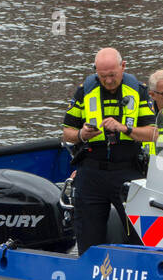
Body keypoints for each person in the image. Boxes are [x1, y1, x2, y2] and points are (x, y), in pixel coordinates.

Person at [62, 49, 156, 255]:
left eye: (113, 75)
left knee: (140, 235)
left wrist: (125, 129)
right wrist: (82, 134)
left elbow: (153, 133)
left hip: (127, 170)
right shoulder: (84, 92)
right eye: (103, 76)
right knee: (88, 238)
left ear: (123, 67)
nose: (109, 80)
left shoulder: (139, 91)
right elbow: (66, 133)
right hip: (91, 171)